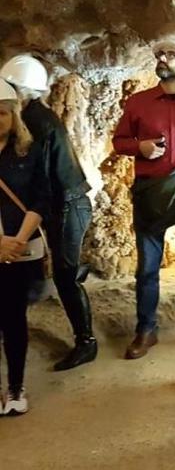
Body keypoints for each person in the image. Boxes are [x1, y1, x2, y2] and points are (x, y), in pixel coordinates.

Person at [112, 40, 175, 359]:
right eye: (159, 55)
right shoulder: (138, 103)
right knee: (148, 267)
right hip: (151, 194)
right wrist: (138, 147)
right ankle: (146, 329)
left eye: (170, 55)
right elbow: (119, 140)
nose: (162, 59)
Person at [0, 54, 96, 371]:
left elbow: (38, 178)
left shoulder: (37, 122)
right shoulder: (32, 116)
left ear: (23, 91)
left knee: (66, 276)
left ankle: (87, 343)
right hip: (64, 202)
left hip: (68, 204)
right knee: (63, 270)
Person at [0, 78, 51, 415]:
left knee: (13, 319)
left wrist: (16, 240)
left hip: (18, 250)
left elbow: (40, 196)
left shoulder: (28, 151)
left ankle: (16, 388)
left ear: (13, 114)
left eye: (1, 113)